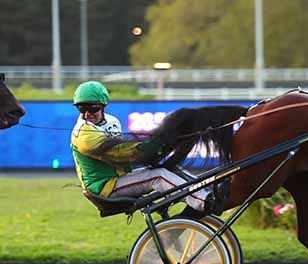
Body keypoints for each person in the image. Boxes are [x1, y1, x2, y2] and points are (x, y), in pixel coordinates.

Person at [70, 81, 214, 216]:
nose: (88, 114)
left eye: (93, 108)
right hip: (105, 188)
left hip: (119, 177)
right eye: (82, 108)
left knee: (168, 168)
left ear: (103, 106)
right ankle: (204, 201)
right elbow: (120, 152)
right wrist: (154, 146)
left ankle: (207, 189)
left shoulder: (112, 121)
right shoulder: (84, 136)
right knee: (159, 176)